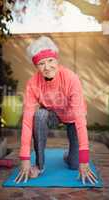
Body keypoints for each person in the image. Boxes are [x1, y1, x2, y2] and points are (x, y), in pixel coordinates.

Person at [15, 36, 98, 185]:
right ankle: (40, 165)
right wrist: (25, 158)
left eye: (50, 61)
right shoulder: (33, 84)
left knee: (74, 165)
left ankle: (69, 156)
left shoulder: (71, 78)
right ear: (36, 66)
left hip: (72, 117)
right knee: (39, 115)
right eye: (41, 63)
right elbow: (27, 122)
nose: (47, 67)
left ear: (56, 60)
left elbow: (80, 119)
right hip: (53, 114)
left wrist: (84, 159)